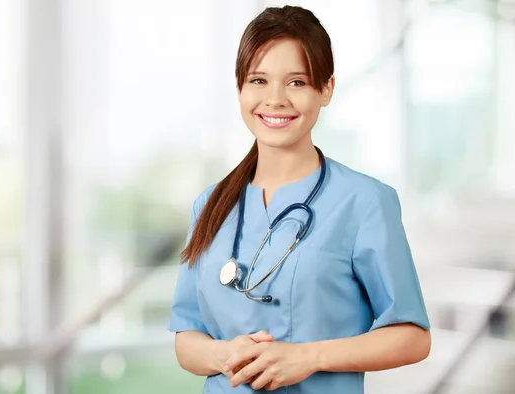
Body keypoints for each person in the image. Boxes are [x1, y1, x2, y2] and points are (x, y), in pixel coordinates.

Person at [167, 5, 431, 393]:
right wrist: (229, 356)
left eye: (296, 82)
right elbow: (186, 338)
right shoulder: (210, 205)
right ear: (239, 88)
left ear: (326, 89)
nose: (275, 99)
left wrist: (307, 357)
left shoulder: (364, 202)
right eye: (258, 80)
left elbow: (413, 337)